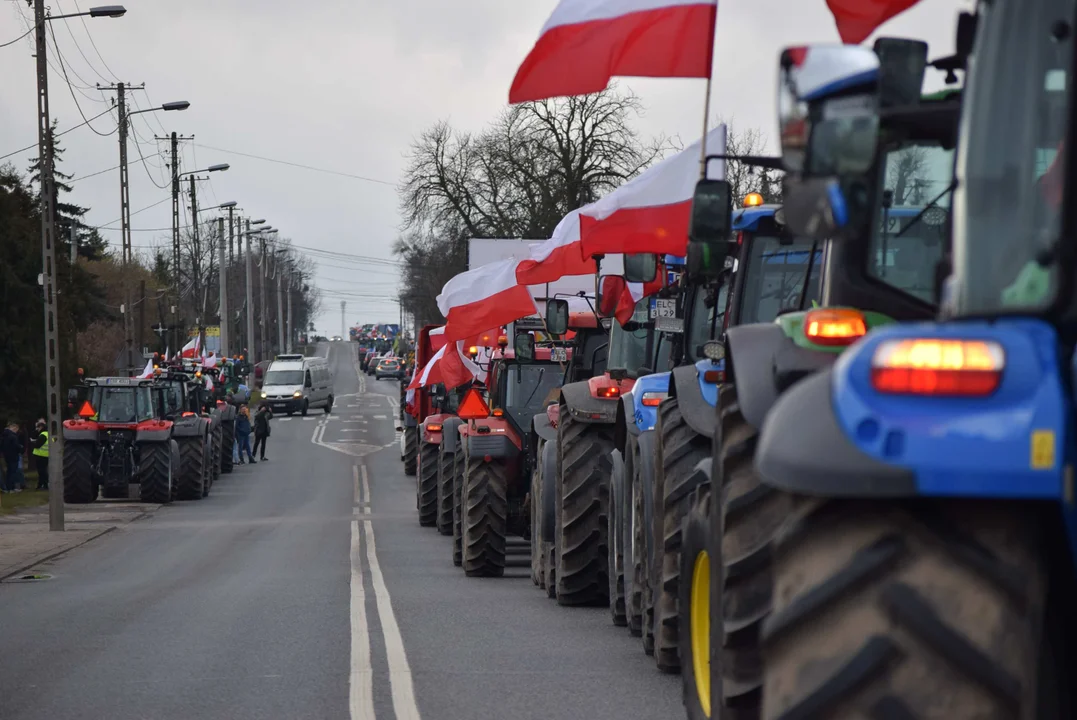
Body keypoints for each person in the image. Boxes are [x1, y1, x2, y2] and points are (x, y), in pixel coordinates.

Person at [1, 423, 21, 493]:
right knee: (13, 472)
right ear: (14, 428)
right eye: (16, 430)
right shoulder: (13, 436)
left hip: (7, 456)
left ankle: (8, 487)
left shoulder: (4, 435)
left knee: (9, 472)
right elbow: (16, 446)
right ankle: (11, 488)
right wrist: (21, 448)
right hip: (13, 456)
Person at [31, 419, 49, 490]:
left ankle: (42, 485)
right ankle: (44, 485)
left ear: (41, 427)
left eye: (37, 428)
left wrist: (33, 442)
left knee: (41, 472)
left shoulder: (43, 435)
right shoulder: (48, 434)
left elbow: (37, 445)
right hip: (46, 455)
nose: (37, 429)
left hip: (40, 455)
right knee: (43, 471)